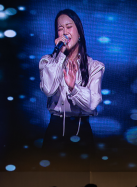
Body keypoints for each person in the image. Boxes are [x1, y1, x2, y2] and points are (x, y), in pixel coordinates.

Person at [39, 9, 105, 158]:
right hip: (55, 131)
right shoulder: (47, 62)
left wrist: (73, 88)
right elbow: (48, 89)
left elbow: (92, 103)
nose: (65, 33)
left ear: (79, 33)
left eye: (69, 27)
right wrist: (60, 55)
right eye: (60, 29)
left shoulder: (94, 66)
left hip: (82, 132)